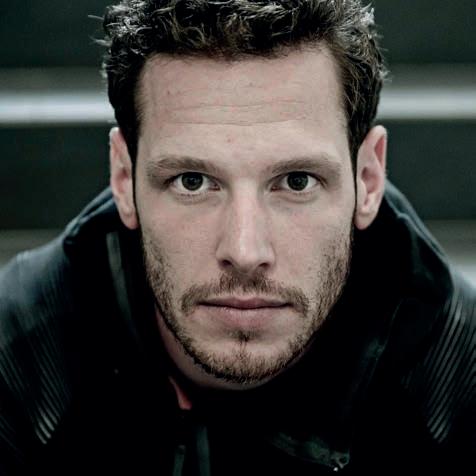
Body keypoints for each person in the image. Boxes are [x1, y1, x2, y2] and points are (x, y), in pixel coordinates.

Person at [0, 0, 474, 474]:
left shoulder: (457, 381)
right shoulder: (18, 363)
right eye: (192, 182)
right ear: (124, 180)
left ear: (367, 180)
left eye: (297, 182)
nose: (245, 252)